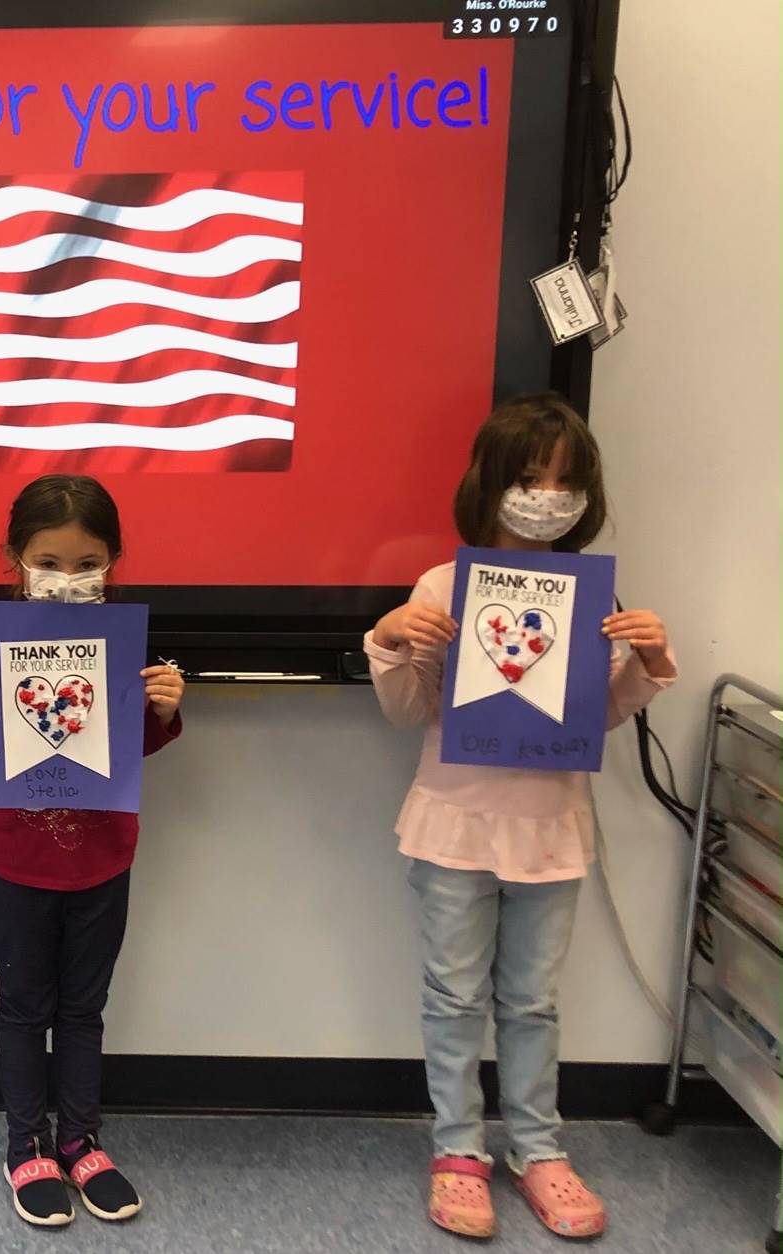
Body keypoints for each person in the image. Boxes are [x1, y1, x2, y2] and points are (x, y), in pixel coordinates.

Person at [365, 395, 676, 1240]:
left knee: (533, 1001)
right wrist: (391, 638)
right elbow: (407, 710)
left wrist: (645, 663)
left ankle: (538, 1149)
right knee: (454, 995)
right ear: (492, 482)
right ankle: (458, 1149)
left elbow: (594, 720)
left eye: (565, 481)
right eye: (531, 477)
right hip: (454, 823)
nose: (547, 495)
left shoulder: (592, 595)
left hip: (552, 825)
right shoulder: (440, 585)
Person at [0, 474, 185, 1227]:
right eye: (48, 560)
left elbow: (124, 748)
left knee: (83, 1007)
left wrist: (165, 711)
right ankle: (24, 1145)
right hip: (19, 858)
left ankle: (79, 1140)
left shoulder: (125, 634)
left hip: (105, 855)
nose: (67, 578)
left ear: (114, 559)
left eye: (86, 563)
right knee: (22, 1004)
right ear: (15, 555)